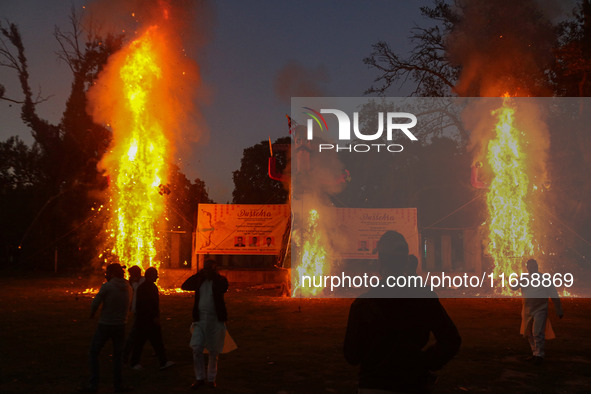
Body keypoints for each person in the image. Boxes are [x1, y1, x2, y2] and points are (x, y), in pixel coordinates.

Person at [344, 231, 461, 393]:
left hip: (373, 385)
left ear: (380, 261)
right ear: (405, 261)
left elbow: (352, 355)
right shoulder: (424, 297)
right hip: (411, 384)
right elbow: (451, 339)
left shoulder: (363, 304)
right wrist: (423, 362)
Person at [80, 263, 131, 393]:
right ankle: (118, 385)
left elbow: (96, 301)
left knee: (93, 352)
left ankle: (93, 384)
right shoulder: (128, 286)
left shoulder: (107, 287)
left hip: (106, 324)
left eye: (107, 273)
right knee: (118, 356)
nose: (106, 275)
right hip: (121, 325)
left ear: (112, 274)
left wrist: (92, 313)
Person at [181, 259, 229, 389]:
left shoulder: (219, 281)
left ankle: (211, 379)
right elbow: (184, 286)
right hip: (200, 319)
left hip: (215, 319)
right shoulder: (199, 281)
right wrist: (199, 275)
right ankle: (200, 378)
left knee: (214, 351)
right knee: (196, 348)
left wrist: (213, 275)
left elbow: (224, 287)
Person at [515, 259, 564, 365]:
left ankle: (539, 355)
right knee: (528, 332)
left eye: (534, 266)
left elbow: (553, 294)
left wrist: (559, 309)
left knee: (537, 332)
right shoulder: (524, 278)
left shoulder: (544, 278)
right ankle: (535, 353)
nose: (533, 268)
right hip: (527, 309)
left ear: (537, 266)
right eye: (530, 266)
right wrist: (517, 281)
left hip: (540, 309)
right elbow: (513, 287)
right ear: (527, 268)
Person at [129, 267, 174, 370]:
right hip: (147, 319)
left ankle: (163, 362)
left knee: (154, 341)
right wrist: (154, 317)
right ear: (150, 275)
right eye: (155, 275)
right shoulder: (147, 287)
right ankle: (135, 362)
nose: (157, 277)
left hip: (146, 319)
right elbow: (148, 304)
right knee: (143, 341)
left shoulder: (148, 286)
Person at [123, 265, 144, 365]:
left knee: (135, 335)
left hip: (143, 312)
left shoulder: (143, 283)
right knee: (140, 335)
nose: (130, 276)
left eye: (132, 274)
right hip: (139, 312)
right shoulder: (132, 283)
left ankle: (127, 356)